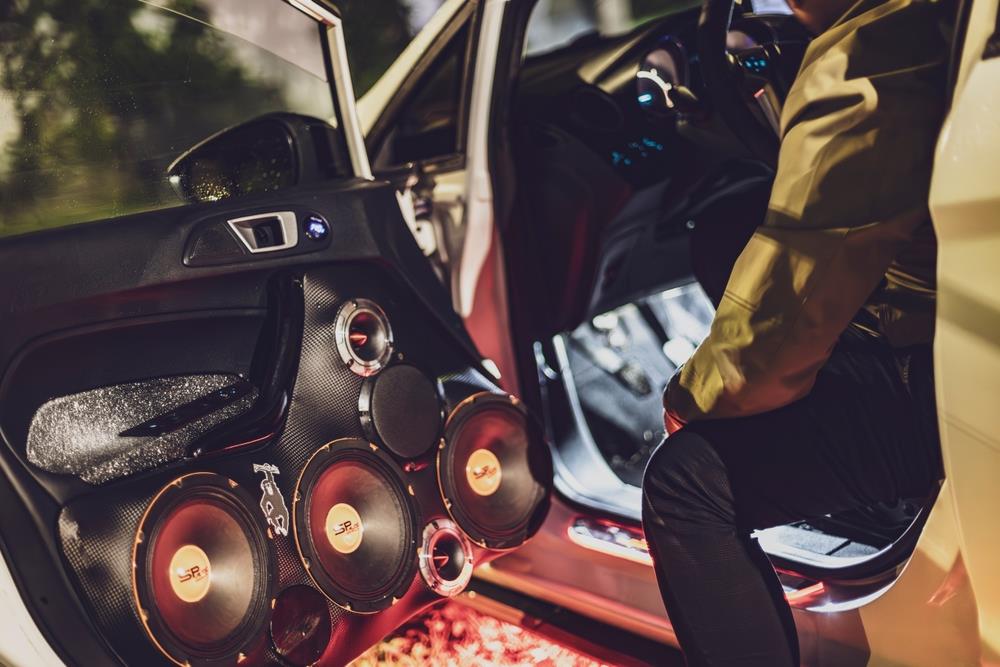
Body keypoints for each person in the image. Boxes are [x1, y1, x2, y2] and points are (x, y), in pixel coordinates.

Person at [640, 0, 952, 664]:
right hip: (950, 328)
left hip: (947, 377)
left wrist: (696, 398)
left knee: (686, 483)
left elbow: (800, 273)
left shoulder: (870, 57)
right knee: (726, 230)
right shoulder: (933, 21)